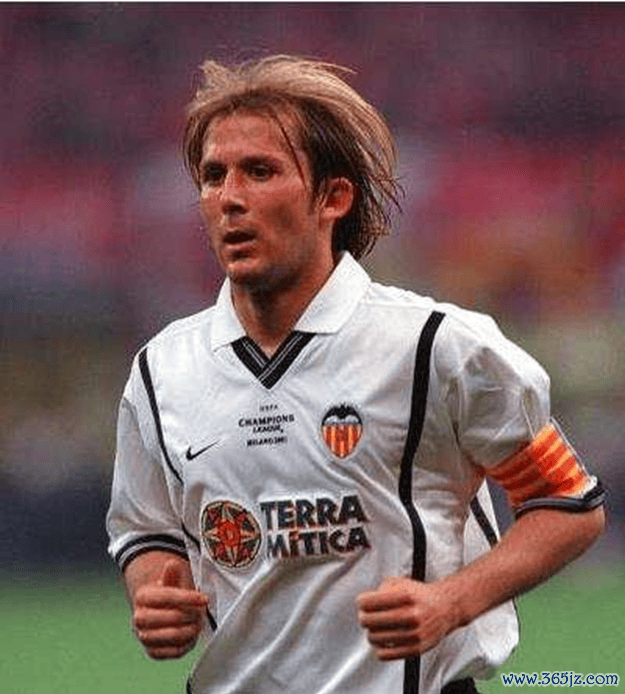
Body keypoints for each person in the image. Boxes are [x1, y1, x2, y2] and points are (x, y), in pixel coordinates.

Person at [106, 55, 605, 694]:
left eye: (260, 171)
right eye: (212, 176)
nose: (229, 198)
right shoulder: (161, 370)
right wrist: (155, 594)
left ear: (333, 198)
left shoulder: (436, 346)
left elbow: (567, 504)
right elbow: (146, 528)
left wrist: (451, 602)